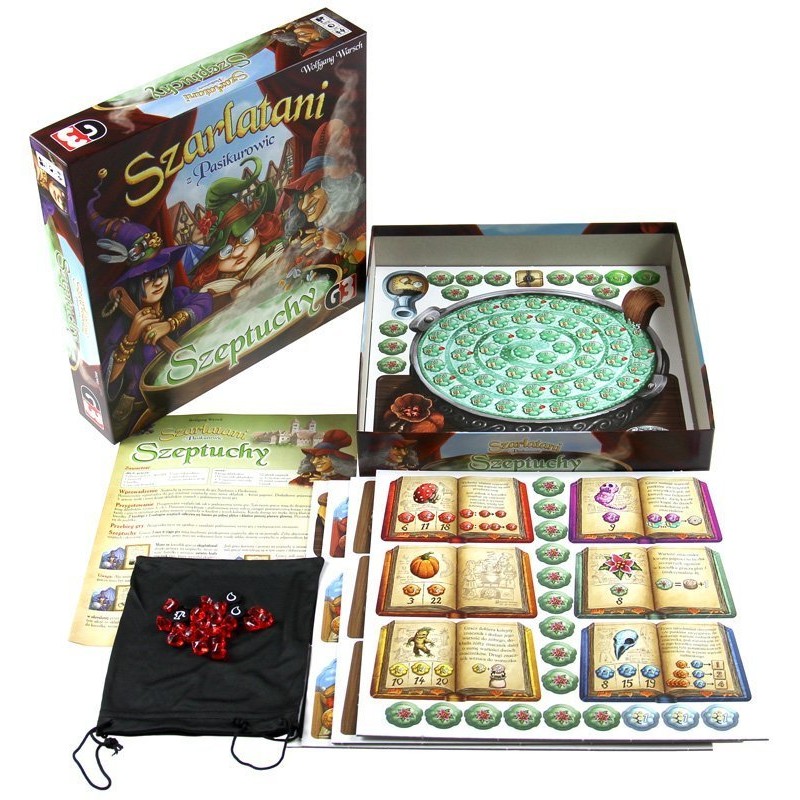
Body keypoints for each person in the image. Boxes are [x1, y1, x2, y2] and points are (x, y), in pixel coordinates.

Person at [89, 172, 212, 438]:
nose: (158, 281)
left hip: (191, 387)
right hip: (146, 409)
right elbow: (107, 383)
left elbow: (204, 301)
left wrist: (170, 323)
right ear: (133, 283)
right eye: (148, 277)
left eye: (162, 272)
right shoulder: (124, 326)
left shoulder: (177, 298)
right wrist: (130, 339)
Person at [190, 157, 282, 307]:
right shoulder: (213, 288)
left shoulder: (274, 251)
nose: (238, 252)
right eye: (226, 251)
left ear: (260, 230)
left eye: (246, 238)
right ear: (215, 261)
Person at [290, 429, 357, 485]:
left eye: (322, 457)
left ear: (336, 459)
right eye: (314, 457)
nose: (314, 461)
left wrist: (328, 483)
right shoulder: (306, 478)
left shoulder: (348, 479)